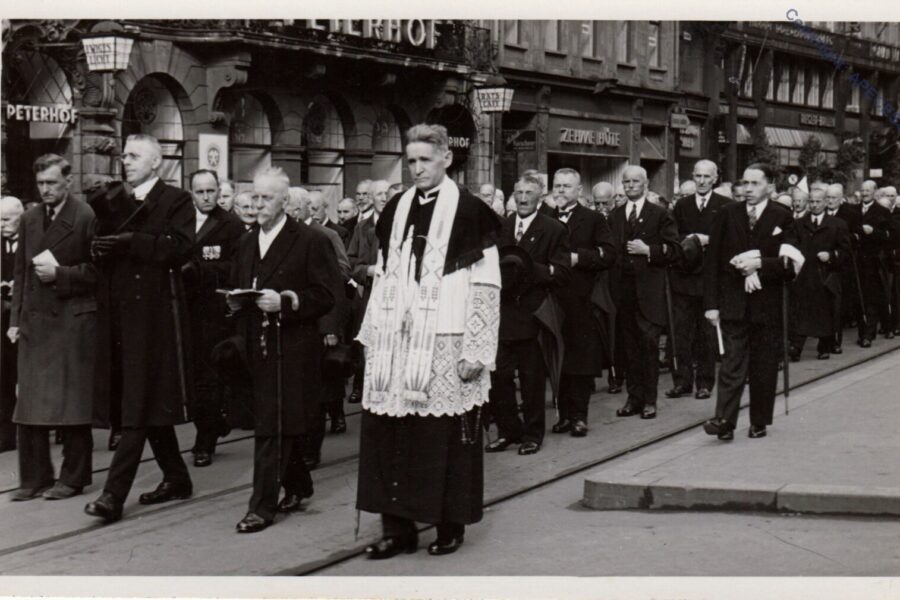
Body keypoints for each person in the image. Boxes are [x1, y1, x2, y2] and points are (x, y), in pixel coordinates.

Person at [356, 124, 501, 558]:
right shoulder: (395, 208)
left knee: (443, 438)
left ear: (446, 159)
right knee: (390, 434)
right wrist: (371, 336)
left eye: (425, 160)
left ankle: (448, 524)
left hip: (447, 340)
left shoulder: (472, 212)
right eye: (411, 161)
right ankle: (397, 529)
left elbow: (486, 284)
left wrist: (476, 348)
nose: (416, 168)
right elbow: (383, 275)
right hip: (396, 344)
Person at [85, 134, 195, 523]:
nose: (126, 162)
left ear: (155, 162)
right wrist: (99, 250)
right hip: (119, 315)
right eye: (124, 156)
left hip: (155, 318)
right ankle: (177, 477)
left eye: (133, 156)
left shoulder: (175, 199)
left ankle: (113, 496)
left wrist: (132, 242)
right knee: (144, 401)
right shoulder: (115, 201)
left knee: (137, 403)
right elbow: (100, 243)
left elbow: (181, 246)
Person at [227, 167, 340, 533]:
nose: (258, 205)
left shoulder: (310, 240)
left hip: (292, 348)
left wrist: (288, 302)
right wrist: (234, 302)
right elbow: (241, 286)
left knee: (272, 428)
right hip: (256, 346)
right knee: (275, 421)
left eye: (266, 198)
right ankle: (299, 483)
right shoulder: (246, 242)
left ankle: (261, 506)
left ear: (284, 201)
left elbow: (327, 295)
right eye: (254, 197)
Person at [7, 155, 97, 500]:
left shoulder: (86, 217)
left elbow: (98, 273)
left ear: (68, 181)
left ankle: (73, 478)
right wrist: (15, 320)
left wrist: (61, 276)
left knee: (71, 404)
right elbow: (20, 274)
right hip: (35, 321)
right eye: (41, 183)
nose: (45, 189)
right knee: (28, 404)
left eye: (52, 183)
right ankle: (33, 478)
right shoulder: (30, 219)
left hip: (71, 321)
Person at [702, 163, 801, 441]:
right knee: (732, 363)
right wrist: (711, 304)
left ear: (770, 186)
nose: (748, 189)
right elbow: (712, 262)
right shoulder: (726, 214)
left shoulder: (782, 216)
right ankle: (724, 420)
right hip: (733, 302)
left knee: (763, 366)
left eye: (755, 184)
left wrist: (759, 264)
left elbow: (790, 264)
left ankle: (759, 420)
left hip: (766, 305)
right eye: (745, 183)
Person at [486, 173, 570, 455]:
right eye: (518, 193)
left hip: (533, 315)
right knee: (499, 376)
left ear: (540, 196)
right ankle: (509, 430)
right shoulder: (501, 227)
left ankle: (533, 435)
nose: (523, 198)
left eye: (529, 193)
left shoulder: (553, 229)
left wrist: (529, 267)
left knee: (532, 379)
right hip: (503, 315)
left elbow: (562, 273)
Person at [184, 169, 244, 467]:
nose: (207, 197)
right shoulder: (181, 220)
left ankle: (203, 442)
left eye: (211, 191)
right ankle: (213, 424)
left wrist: (204, 270)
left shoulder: (230, 224)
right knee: (190, 379)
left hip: (214, 313)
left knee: (209, 379)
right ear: (191, 192)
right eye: (200, 192)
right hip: (183, 311)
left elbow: (238, 266)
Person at [609, 165, 679, 420]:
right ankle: (633, 398)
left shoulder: (660, 214)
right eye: (625, 182)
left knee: (648, 347)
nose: (629, 186)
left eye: (635, 182)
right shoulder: (615, 216)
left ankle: (650, 400)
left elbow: (674, 250)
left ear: (646, 184)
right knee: (629, 348)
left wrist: (648, 250)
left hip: (649, 293)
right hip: (623, 293)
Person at [550, 168, 615, 437]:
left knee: (580, 361)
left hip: (581, 299)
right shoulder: (544, 217)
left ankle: (578, 415)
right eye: (557, 185)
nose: (561, 190)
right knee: (557, 358)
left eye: (567, 186)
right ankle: (563, 414)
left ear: (579, 191)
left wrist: (580, 258)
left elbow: (609, 254)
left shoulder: (593, 219)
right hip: (551, 298)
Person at [667, 159, 732, 400]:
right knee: (682, 333)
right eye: (698, 176)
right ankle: (682, 381)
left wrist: (708, 240)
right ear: (693, 177)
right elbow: (673, 237)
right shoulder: (681, 205)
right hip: (684, 277)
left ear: (715, 178)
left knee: (707, 334)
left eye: (707, 177)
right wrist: (692, 239)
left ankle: (705, 382)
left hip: (710, 279)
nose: (702, 181)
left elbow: (730, 240)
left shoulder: (725, 205)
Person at [788, 187, 850, 361]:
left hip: (825, 276)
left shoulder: (838, 224)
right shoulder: (799, 224)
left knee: (824, 313)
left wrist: (830, 256)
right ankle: (796, 347)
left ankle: (824, 346)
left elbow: (845, 251)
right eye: (811, 202)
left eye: (818, 202)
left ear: (825, 202)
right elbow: (792, 245)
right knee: (801, 312)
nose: (814, 205)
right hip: (803, 275)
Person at [346, 179, 390, 405]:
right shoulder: (362, 229)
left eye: (386, 193)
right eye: (379, 194)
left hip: (393, 296)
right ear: (371, 198)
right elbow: (351, 264)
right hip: (369, 292)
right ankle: (362, 387)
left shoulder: (401, 223)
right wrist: (369, 270)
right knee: (365, 343)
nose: (384, 198)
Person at [853, 179, 892, 346]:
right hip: (855, 262)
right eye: (862, 190)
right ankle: (863, 333)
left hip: (873, 262)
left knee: (870, 299)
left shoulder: (882, 211)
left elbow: (890, 236)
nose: (864, 193)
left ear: (875, 192)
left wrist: (873, 232)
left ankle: (868, 335)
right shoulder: (853, 210)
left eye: (868, 190)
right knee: (858, 299)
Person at [0, 196, 23, 453]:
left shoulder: (32, 241)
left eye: (6, 220)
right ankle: (5, 436)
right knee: (4, 375)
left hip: (27, 319)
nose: (1, 225)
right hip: (2, 317)